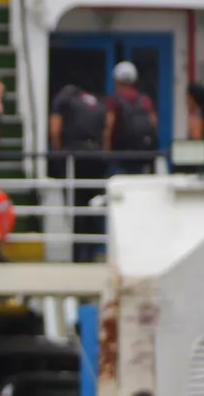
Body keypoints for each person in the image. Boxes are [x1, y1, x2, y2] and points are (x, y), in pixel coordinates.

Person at [50, 78, 108, 261]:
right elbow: (107, 129)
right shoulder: (95, 101)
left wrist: (59, 153)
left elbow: (55, 129)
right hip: (96, 156)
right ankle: (91, 252)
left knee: (75, 205)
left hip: (74, 158)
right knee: (93, 204)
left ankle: (77, 254)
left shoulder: (63, 100)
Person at [105, 60, 160, 174]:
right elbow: (154, 123)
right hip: (142, 156)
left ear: (117, 80)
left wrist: (106, 153)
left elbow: (108, 126)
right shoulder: (145, 100)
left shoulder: (114, 100)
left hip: (121, 156)